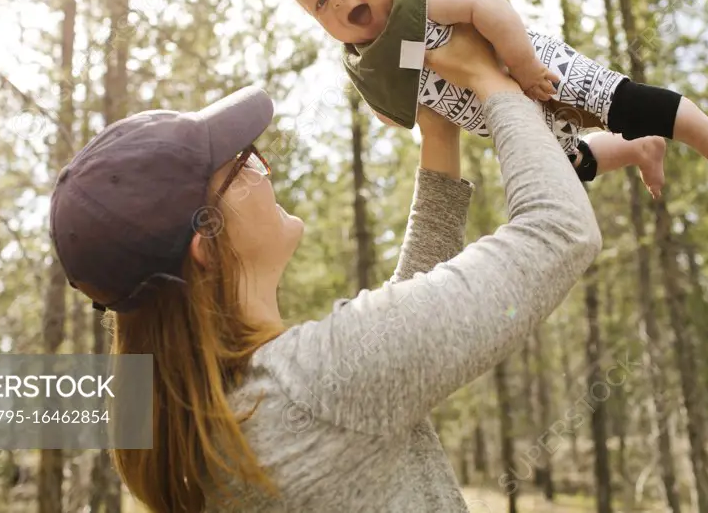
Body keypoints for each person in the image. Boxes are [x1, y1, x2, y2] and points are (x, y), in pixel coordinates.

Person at [48, 42, 601, 512]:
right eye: (247, 164)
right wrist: (487, 77)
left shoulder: (212, 428)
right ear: (206, 246)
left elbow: (395, 348)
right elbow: (557, 232)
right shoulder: (317, 384)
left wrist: (438, 131)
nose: (266, 173)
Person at [291, 0, 708, 196]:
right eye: (318, 3)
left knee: (623, 102)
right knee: (572, 164)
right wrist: (390, 109)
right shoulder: (372, 64)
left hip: (541, 70)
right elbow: (401, 113)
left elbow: (485, 2)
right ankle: (640, 148)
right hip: (505, 118)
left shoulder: (420, 1)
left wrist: (524, 65)